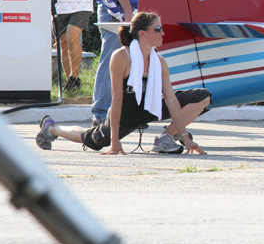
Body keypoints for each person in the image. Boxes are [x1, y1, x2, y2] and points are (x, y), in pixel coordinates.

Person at [36, 11, 210, 155]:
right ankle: (52, 128)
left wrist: (185, 138)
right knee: (92, 140)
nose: (162, 33)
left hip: (150, 108)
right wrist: (114, 140)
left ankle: (165, 138)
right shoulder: (121, 57)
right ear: (142, 34)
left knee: (202, 96)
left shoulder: (159, 62)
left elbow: (171, 100)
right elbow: (117, 100)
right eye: (158, 29)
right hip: (126, 115)